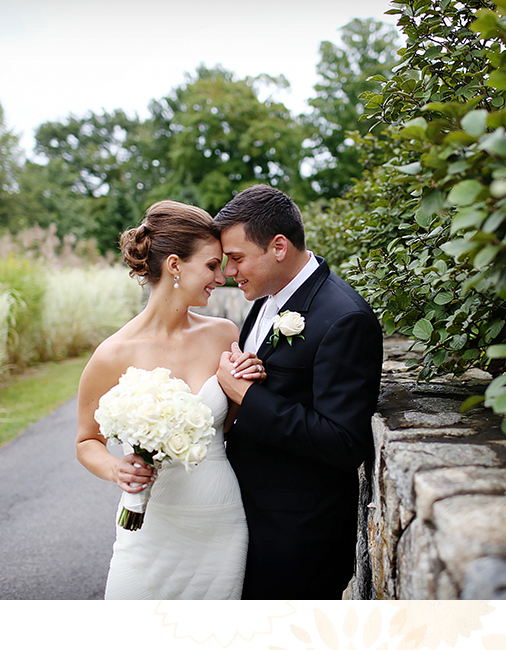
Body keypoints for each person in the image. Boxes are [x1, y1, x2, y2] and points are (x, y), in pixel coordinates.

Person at [75, 200, 264, 599]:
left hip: (219, 520)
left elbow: (228, 422)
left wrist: (246, 385)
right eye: (212, 265)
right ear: (175, 265)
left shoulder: (223, 333)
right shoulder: (112, 354)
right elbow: (86, 441)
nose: (223, 277)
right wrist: (116, 470)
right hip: (151, 523)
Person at [214, 184, 384, 599]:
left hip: (296, 536)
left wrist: (246, 396)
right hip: (248, 517)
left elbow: (344, 443)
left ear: (278, 246)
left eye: (236, 259)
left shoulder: (344, 318)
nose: (228, 273)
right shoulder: (267, 298)